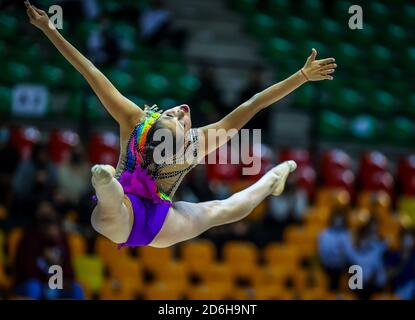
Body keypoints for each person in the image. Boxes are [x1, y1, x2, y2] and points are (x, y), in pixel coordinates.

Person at [25, 2, 337, 248]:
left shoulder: (136, 121)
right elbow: (252, 105)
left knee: (219, 211)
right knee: (113, 215)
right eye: (179, 118)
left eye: (178, 116)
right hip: (132, 211)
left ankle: (104, 181)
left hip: (158, 217)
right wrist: (300, 77)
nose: (183, 110)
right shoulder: (188, 140)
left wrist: (51, 29)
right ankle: (105, 184)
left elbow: (90, 71)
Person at [14, 201, 84, 300]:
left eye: (55, 226)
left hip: (55, 285)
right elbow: (26, 272)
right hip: (33, 284)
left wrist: (62, 280)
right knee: (35, 287)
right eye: (49, 226)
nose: (54, 230)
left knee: (76, 289)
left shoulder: (62, 241)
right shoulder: (29, 240)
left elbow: (69, 272)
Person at [318, 208, 351, 291]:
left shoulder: (347, 234)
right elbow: (324, 253)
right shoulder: (324, 234)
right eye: (336, 218)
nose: (338, 221)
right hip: (328, 266)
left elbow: (349, 253)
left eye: (340, 218)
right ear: (332, 219)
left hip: (344, 266)